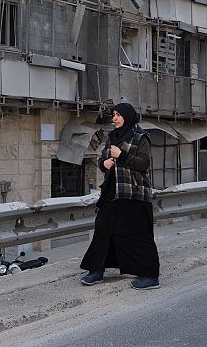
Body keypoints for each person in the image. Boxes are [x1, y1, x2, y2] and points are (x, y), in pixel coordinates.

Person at [79, 102, 160, 290]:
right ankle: (96, 270)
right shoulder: (112, 136)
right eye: (113, 114)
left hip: (133, 193)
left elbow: (144, 163)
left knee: (138, 235)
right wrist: (104, 163)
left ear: (128, 117)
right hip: (112, 192)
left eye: (118, 115)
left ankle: (150, 275)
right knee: (103, 230)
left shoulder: (141, 137)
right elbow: (103, 159)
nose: (114, 118)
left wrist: (121, 155)